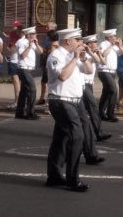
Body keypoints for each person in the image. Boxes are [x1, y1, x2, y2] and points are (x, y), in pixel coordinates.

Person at [44, 28, 92, 192]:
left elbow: (89, 70)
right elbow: (62, 76)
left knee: (61, 139)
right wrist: (75, 58)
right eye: (78, 39)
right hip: (61, 100)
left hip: (74, 101)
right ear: (68, 41)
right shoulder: (56, 55)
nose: (81, 43)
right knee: (77, 136)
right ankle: (72, 179)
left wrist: (83, 58)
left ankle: (54, 175)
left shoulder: (75, 55)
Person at [82, 34, 112, 143]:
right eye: (94, 42)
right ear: (89, 44)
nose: (96, 43)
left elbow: (102, 62)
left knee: (82, 110)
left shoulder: (92, 52)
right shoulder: (84, 53)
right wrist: (90, 51)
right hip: (83, 84)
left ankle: (80, 132)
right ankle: (98, 133)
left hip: (89, 84)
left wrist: (97, 52)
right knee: (93, 107)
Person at [15, 26, 44, 120]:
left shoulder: (32, 42)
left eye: (35, 33)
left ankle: (19, 112)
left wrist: (37, 43)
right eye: (34, 34)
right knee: (32, 90)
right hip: (23, 68)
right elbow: (23, 55)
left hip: (29, 69)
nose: (36, 35)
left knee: (24, 91)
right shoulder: (21, 42)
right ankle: (30, 113)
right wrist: (30, 46)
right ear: (28, 35)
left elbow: (41, 52)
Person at [98, 28, 123, 123]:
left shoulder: (114, 45)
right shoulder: (103, 44)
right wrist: (111, 45)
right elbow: (103, 54)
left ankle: (100, 112)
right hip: (104, 71)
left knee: (106, 92)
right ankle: (110, 114)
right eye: (114, 36)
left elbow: (122, 52)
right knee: (113, 91)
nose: (116, 38)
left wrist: (120, 45)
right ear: (109, 37)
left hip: (112, 72)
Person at [38, 30, 59, 106]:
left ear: (50, 37)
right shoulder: (59, 46)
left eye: (48, 36)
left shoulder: (52, 47)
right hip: (55, 69)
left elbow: (47, 57)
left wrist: (44, 66)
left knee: (50, 86)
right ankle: (48, 102)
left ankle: (48, 103)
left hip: (50, 69)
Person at [6, 21, 24, 110]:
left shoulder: (14, 35)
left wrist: (7, 48)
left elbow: (12, 50)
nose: (13, 28)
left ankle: (17, 101)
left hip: (14, 60)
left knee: (16, 81)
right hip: (19, 61)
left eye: (15, 27)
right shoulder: (24, 37)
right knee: (19, 82)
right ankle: (19, 101)